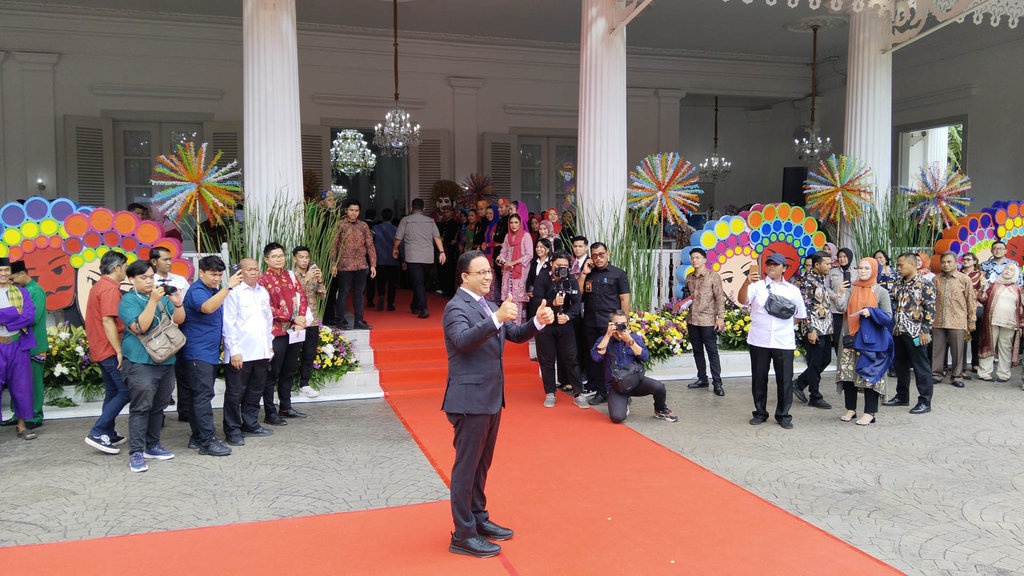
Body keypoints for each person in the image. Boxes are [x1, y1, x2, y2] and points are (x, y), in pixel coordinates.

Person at [441, 250, 555, 558]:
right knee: (466, 468)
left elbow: (515, 334)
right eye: (481, 273)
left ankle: (478, 519)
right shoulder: (455, 308)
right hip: (469, 400)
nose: (488, 277)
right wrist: (495, 318)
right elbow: (463, 341)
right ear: (464, 277)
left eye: (490, 272)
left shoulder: (489, 304)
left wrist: (537, 323)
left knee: (481, 465)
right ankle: (462, 534)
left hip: (491, 398)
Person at [119, 260, 185, 472]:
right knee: (141, 407)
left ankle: (153, 445)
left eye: (150, 277)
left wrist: (177, 302)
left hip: (166, 358)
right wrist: (152, 302)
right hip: (140, 361)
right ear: (131, 280)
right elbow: (140, 327)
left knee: (160, 404)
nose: (149, 281)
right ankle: (136, 452)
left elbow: (179, 321)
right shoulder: (128, 301)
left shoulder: (161, 298)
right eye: (143, 278)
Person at [737, 253, 807, 429]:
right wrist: (746, 282)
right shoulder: (757, 286)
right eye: (769, 264)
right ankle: (760, 412)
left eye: (776, 265)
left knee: (784, 380)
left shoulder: (792, 290)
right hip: (759, 340)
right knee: (759, 378)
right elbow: (742, 299)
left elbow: (799, 315)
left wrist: (783, 325)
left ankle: (783, 415)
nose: (771, 267)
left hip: (783, 342)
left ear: (784, 268)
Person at [180, 255, 239, 456]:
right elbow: (207, 308)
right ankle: (207, 440)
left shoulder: (213, 290)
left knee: (201, 395)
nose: (217, 278)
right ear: (201, 272)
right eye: (213, 274)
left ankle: (198, 437)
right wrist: (228, 287)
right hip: (197, 353)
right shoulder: (197, 290)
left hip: (208, 352)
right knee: (202, 397)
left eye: (220, 275)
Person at [221, 257, 275, 446]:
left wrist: (269, 346)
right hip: (240, 353)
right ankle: (232, 429)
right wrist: (233, 350)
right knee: (235, 393)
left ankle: (250, 423)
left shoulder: (262, 292)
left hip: (260, 351)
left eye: (256, 269)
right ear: (240, 272)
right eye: (249, 269)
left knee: (255, 390)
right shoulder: (234, 292)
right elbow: (228, 323)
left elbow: (268, 321)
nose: (253, 272)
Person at [591, 310, 679, 424]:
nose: (620, 327)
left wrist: (629, 341)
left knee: (659, 387)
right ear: (610, 325)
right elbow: (596, 357)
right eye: (617, 324)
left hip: (636, 381)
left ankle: (660, 409)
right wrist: (608, 335)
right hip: (616, 385)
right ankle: (624, 401)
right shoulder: (604, 340)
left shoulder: (634, 338)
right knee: (617, 418)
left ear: (627, 325)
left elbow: (645, 357)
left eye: (623, 324)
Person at [835, 258, 893, 425]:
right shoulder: (851, 287)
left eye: (867, 268)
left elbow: (888, 316)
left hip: (871, 340)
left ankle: (870, 412)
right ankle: (850, 409)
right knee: (848, 374)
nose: (862, 271)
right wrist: (840, 293)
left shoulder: (880, 291)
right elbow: (840, 308)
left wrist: (871, 313)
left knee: (869, 374)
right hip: (849, 336)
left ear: (874, 270)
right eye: (860, 268)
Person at [84, 251, 130, 454]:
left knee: (113, 391)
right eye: (125, 266)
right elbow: (108, 320)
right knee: (125, 391)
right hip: (109, 347)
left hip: (100, 346)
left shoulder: (100, 286)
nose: (127, 271)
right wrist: (119, 350)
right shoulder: (110, 289)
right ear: (117, 268)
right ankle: (98, 431)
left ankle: (108, 433)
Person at [259, 242, 309, 424]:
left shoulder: (291, 275)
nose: (279, 259)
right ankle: (270, 413)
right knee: (272, 373)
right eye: (274, 256)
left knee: (289, 370)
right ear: (266, 260)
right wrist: (291, 317)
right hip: (276, 332)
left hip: (294, 330)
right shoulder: (262, 280)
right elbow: (266, 308)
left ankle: (286, 406)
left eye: (281, 255)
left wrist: (300, 319)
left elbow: (302, 297)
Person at [533, 250, 589, 409]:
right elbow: (536, 301)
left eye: (564, 266)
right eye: (558, 266)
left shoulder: (571, 280)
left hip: (565, 325)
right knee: (547, 360)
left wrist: (569, 316)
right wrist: (552, 303)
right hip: (545, 325)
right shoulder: (542, 278)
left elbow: (577, 303)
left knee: (571, 358)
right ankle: (550, 392)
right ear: (551, 264)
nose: (561, 269)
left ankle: (578, 393)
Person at [883, 252, 937, 414]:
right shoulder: (898, 282)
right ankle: (902, 396)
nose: (898, 268)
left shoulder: (925, 284)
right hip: (899, 331)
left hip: (916, 332)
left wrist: (925, 331)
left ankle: (925, 401)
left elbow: (930, 309)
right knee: (900, 366)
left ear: (913, 265)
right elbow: (892, 301)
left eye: (901, 265)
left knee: (921, 367)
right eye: (898, 265)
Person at [579, 242, 631, 405]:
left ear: (608, 253)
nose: (598, 258)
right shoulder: (588, 274)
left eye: (601, 254)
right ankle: (601, 392)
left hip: (610, 324)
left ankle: (623, 390)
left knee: (614, 358)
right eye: (594, 255)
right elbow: (579, 295)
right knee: (595, 358)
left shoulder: (618, 274)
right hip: (591, 323)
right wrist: (583, 274)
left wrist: (625, 323)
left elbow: (625, 299)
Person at [150, 246, 191, 422]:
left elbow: (188, 303)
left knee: (183, 370)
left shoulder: (180, 280)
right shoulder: (149, 281)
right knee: (158, 373)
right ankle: (157, 414)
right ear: (154, 261)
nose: (169, 262)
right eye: (164, 259)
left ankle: (185, 409)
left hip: (178, 328)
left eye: (170, 259)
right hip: (156, 332)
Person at [0, 257, 38, 440]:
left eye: (6, 270)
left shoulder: (21, 293)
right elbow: (20, 315)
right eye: (0, 270)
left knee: (21, 385)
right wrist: (14, 313)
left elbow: (29, 317)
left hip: (17, 344)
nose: (3, 274)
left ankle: (21, 425)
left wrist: (3, 317)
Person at [793, 252, 837, 410]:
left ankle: (799, 383)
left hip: (825, 328)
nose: (829, 266)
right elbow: (804, 307)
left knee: (825, 360)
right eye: (826, 263)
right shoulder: (807, 281)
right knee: (816, 361)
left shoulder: (821, 280)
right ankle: (815, 395)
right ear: (817, 265)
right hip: (814, 329)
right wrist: (811, 330)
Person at [10, 260, 47, 430]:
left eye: (14, 279)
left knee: (34, 382)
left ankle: (35, 415)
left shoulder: (35, 291)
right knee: (17, 381)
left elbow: (33, 318)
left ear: (22, 274)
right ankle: (19, 414)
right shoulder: (21, 290)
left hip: (35, 344)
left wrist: (9, 320)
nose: (12, 282)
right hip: (20, 344)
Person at [931, 251, 977, 389]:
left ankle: (957, 376)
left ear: (956, 263)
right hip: (938, 320)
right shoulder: (936, 279)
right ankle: (936, 374)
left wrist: (971, 320)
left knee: (958, 350)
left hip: (958, 320)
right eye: (943, 262)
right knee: (937, 349)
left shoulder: (964, 279)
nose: (946, 264)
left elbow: (971, 300)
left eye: (949, 262)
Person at [684, 248, 727, 396]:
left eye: (697, 257)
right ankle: (702, 378)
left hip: (707, 319)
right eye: (692, 258)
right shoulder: (689, 277)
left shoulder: (713, 276)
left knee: (712, 351)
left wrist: (720, 317)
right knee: (697, 350)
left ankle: (717, 382)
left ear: (704, 259)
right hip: (692, 319)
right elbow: (688, 297)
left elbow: (719, 298)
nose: (694, 260)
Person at [393, 198, 446, 318]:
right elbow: (437, 237)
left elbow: (398, 238)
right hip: (428, 257)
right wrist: (442, 251)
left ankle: (424, 308)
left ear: (412, 209)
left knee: (418, 283)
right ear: (423, 209)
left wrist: (395, 249)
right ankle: (415, 305)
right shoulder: (430, 221)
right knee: (421, 282)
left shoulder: (405, 220)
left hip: (413, 257)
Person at [329, 199, 375, 330]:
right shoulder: (339, 225)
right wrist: (333, 264)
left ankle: (359, 320)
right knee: (343, 292)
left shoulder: (363, 226)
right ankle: (340, 320)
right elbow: (334, 246)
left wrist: (373, 264)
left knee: (359, 293)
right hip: (344, 264)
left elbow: (370, 245)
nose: (354, 213)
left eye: (356, 210)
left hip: (361, 264)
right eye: (351, 210)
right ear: (346, 211)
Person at [977, 264, 1024, 382]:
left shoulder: (1017, 289)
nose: (1008, 271)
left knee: (1006, 347)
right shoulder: (994, 285)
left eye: (1011, 270)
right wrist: (982, 288)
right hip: (991, 321)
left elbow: (1020, 308)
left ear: (1016, 274)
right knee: (989, 344)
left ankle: (1004, 373)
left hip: (1010, 322)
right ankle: (984, 372)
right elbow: (983, 299)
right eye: (1006, 269)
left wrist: (1021, 324)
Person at [293, 245, 325, 398]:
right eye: (301, 257)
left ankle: (304, 384)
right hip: (296, 321)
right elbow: (296, 294)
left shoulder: (312, 274)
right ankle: (285, 384)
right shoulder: (291, 276)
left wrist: (319, 280)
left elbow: (323, 294)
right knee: (291, 355)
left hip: (312, 320)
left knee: (309, 354)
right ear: (294, 259)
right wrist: (306, 280)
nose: (305, 260)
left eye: (307, 257)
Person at [498, 213, 533, 323]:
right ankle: (508, 325)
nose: (513, 225)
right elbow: (503, 252)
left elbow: (529, 255)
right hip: (508, 271)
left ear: (520, 223)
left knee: (518, 300)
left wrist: (514, 262)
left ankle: (518, 326)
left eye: (516, 222)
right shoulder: (507, 237)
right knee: (508, 298)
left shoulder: (525, 236)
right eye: (511, 222)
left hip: (521, 271)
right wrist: (501, 259)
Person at [959, 252, 985, 375]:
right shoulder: (958, 273)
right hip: (960, 308)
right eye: (964, 259)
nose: (965, 261)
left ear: (975, 261)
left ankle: (975, 363)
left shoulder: (980, 274)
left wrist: (973, 298)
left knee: (976, 337)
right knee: (962, 338)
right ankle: (961, 366)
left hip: (975, 307)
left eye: (969, 259)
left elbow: (982, 291)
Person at [828, 248, 855, 356]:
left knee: (850, 334)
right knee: (837, 336)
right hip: (836, 309)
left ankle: (849, 358)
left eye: (844, 256)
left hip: (852, 310)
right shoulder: (832, 272)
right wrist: (835, 296)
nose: (842, 259)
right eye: (840, 257)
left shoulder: (857, 272)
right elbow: (826, 287)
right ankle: (839, 357)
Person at [373, 208, 400, 311]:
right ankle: (390, 304)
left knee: (381, 281)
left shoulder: (375, 228)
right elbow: (400, 245)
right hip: (393, 260)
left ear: (382, 216)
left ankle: (381, 295)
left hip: (380, 259)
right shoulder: (396, 230)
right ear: (391, 217)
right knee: (392, 283)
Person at [525, 238, 552, 320]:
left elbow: (550, 282)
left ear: (547, 249)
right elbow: (529, 279)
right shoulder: (534, 263)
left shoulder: (550, 264)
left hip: (544, 298)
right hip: (533, 298)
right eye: (537, 247)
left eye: (541, 247)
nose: (538, 249)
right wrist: (529, 291)